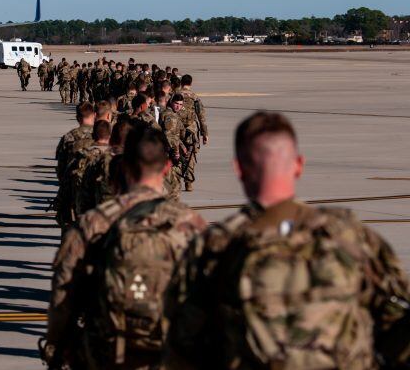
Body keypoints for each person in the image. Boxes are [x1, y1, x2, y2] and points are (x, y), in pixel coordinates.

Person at [164, 112, 410, 369]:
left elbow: (182, 346)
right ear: (299, 165)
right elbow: (399, 325)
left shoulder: (214, 248)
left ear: (238, 168)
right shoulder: (353, 238)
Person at [42, 126, 206, 369]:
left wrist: (56, 346)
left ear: (123, 166)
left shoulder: (94, 223)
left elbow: (63, 294)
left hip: (107, 351)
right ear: (167, 168)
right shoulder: (191, 226)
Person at [52, 102, 96, 227]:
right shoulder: (100, 135)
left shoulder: (68, 138)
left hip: (72, 188)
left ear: (77, 118)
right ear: (94, 115)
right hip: (94, 190)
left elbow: (61, 169)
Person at [177, 74, 208, 192]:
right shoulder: (195, 97)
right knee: (190, 157)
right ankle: (188, 183)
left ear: (181, 82)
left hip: (177, 130)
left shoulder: (175, 95)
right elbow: (201, 117)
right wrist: (205, 134)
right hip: (191, 131)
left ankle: (176, 181)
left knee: (177, 155)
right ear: (191, 83)